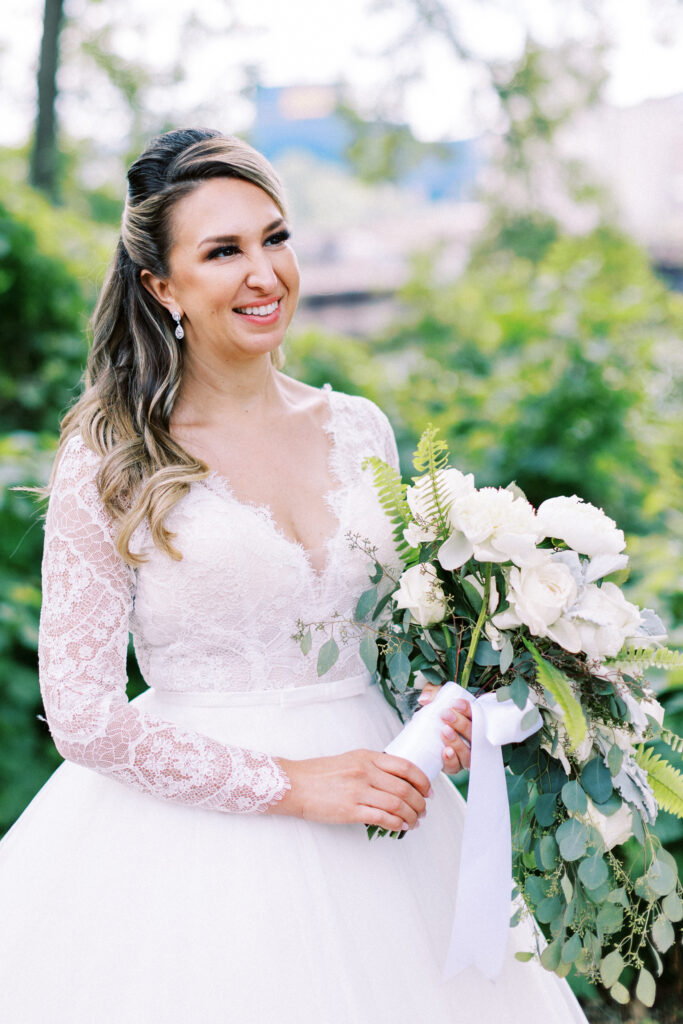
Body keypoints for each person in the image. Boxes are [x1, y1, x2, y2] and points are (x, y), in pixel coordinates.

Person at [0, 128, 588, 1023]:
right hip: (197, 844)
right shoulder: (112, 453)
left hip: (386, 814)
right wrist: (294, 784)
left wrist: (435, 704)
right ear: (163, 287)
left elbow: (386, 633)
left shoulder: (359, 427)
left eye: (274, 237)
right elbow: (82, 717)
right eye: (223, 251)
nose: (263, 272)